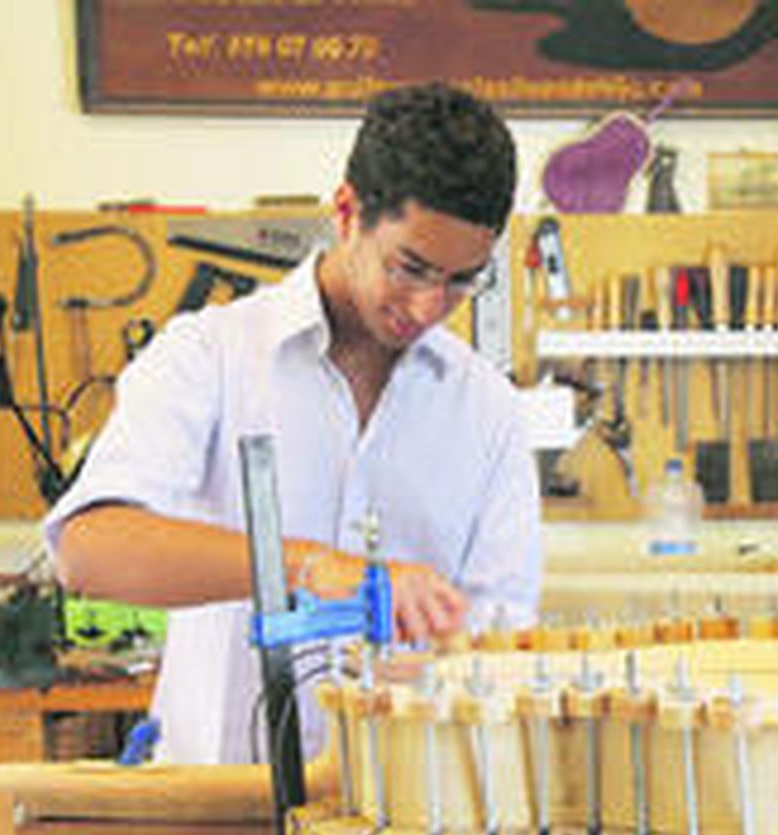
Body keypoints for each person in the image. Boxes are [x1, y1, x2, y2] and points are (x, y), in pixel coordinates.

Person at [46, 83, 542, 765]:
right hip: (220, 799)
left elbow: (503, 634)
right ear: (347, 212)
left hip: (403, 809)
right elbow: (87, 549)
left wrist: (450, 665)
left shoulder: (488, 409)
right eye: (410, 268)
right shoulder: (210, 356)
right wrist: (310, 565)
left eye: (462, 280)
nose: (429, 307)